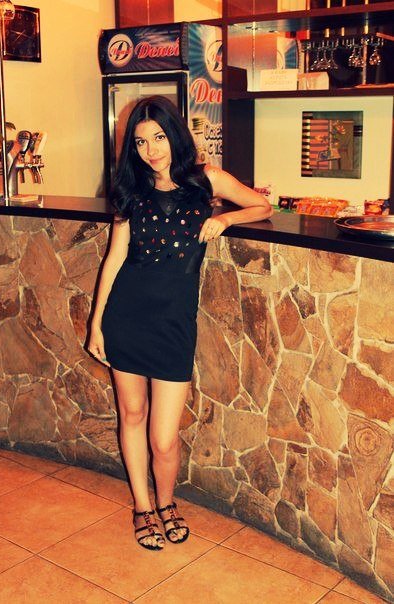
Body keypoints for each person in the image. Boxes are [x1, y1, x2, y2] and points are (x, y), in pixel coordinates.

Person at [88, 95, 272, 551]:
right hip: (127, 316)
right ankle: (143, 507)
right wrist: (96, 324)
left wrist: (226, 218)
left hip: (174, 323)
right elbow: (114, 258)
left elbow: (262, 206)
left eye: (158, 137)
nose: (151, 150)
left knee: (164, 438)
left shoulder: (207, 180)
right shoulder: (131, 191)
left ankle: (167, 502)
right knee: (132, 415)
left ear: (174, 134)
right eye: (140, 142)